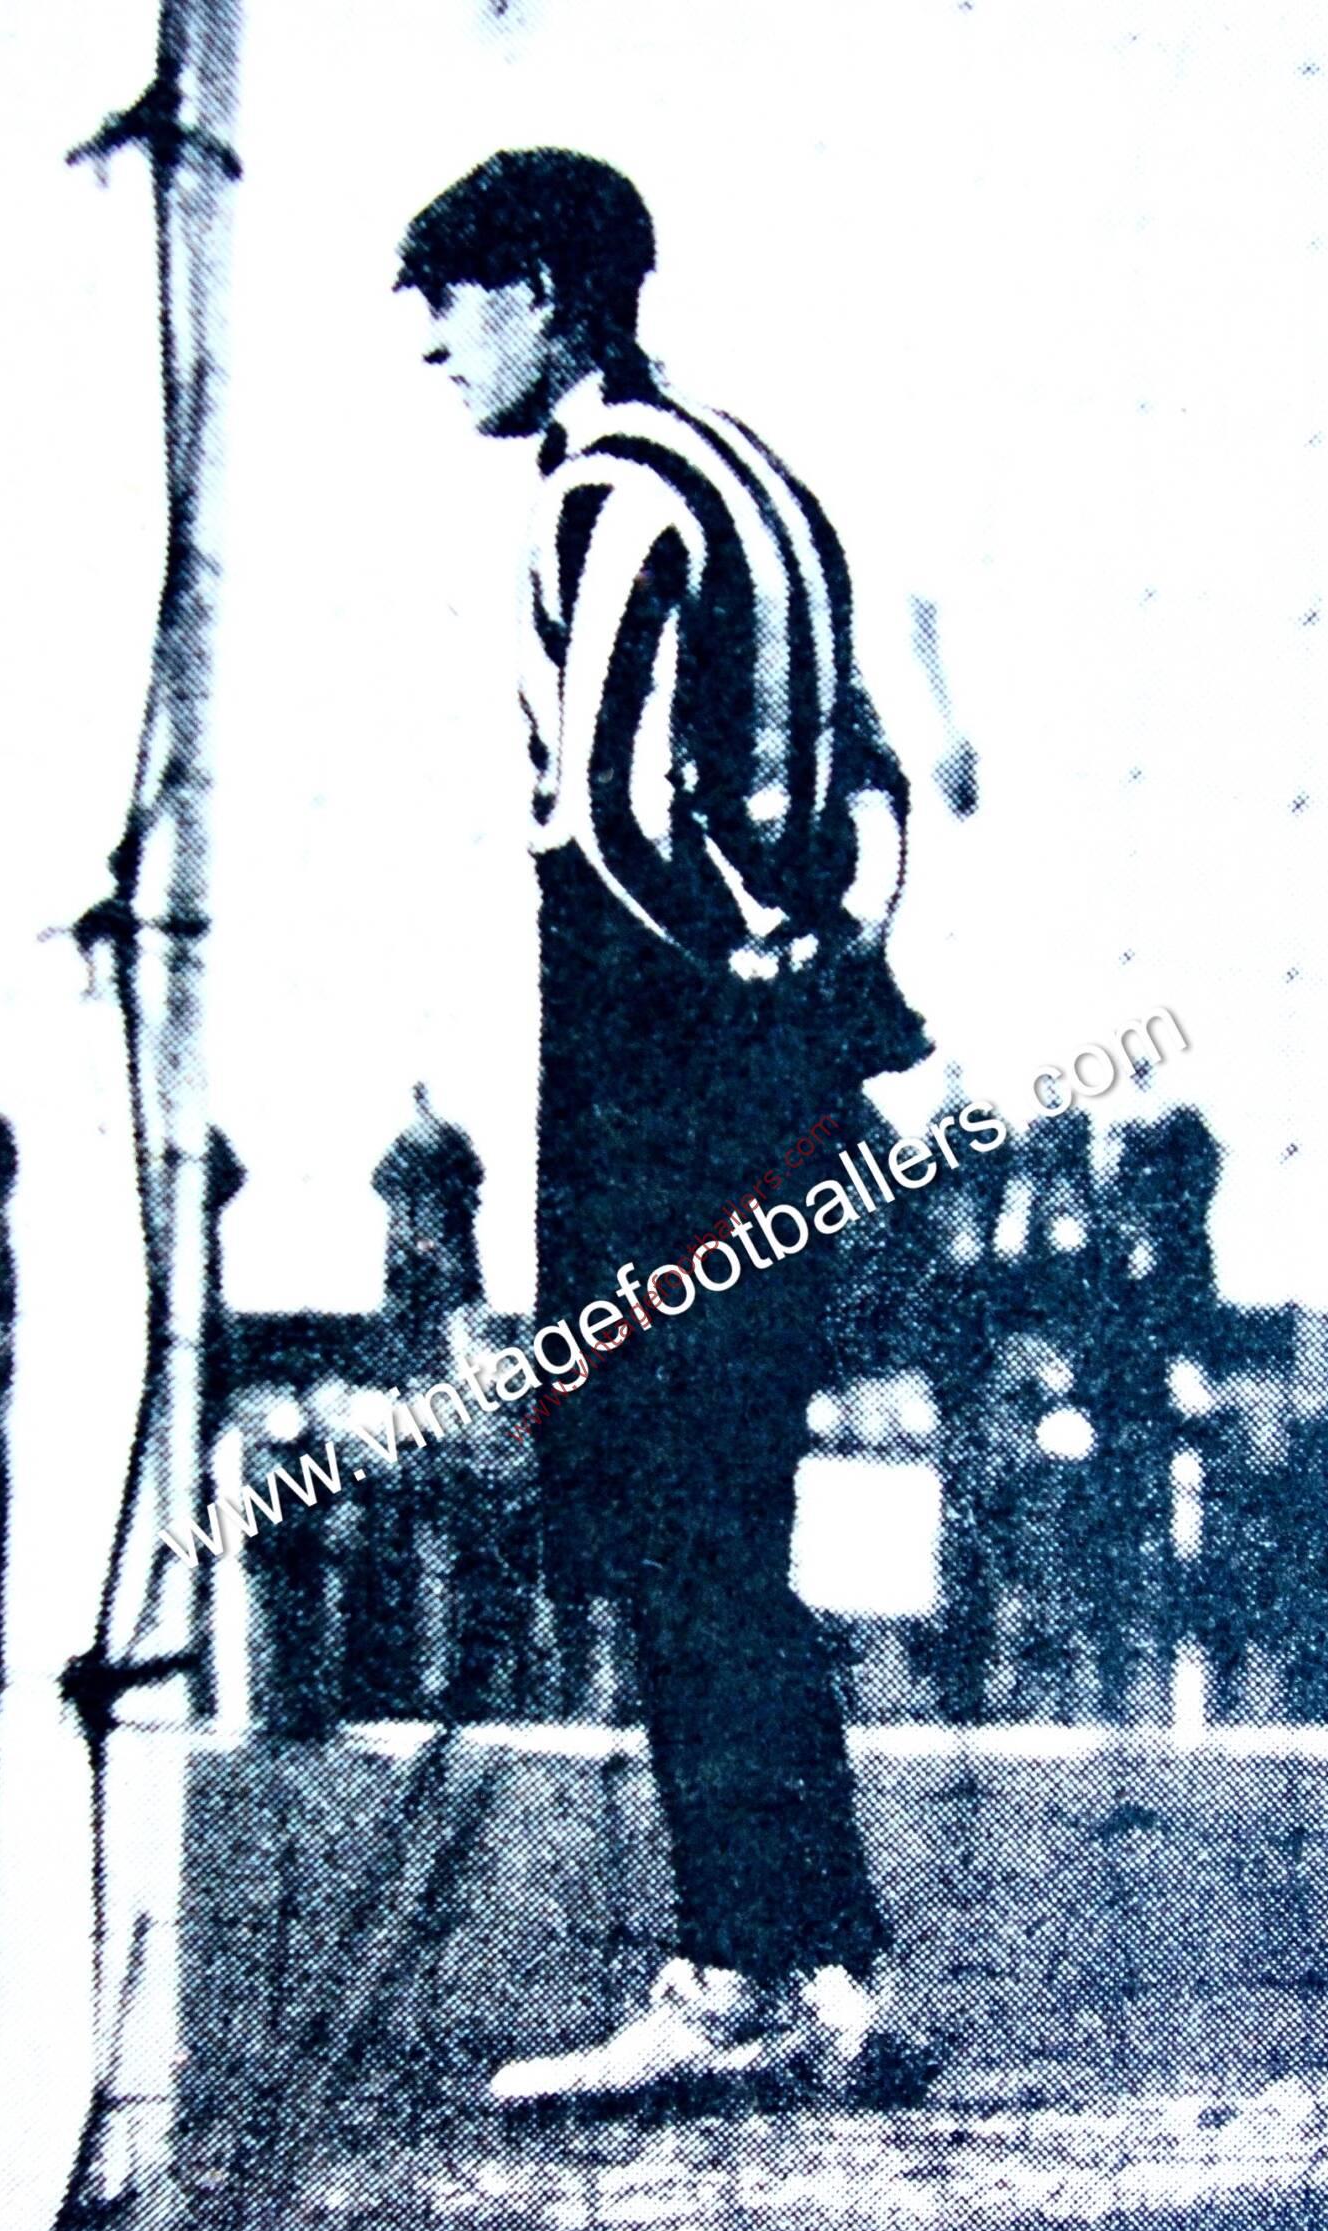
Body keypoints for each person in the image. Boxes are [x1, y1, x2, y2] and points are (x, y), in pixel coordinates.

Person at [396, 148, 931, 2104]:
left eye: (451, 301)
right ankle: (824, 1967)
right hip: (800, 1072)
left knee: (669, 1521)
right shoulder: (769, 478)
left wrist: (742, 959)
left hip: (661, 1062)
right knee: (734, 1528)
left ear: (547, 291)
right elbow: (873, 780)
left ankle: (732, 1973)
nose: (434, 347)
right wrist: (830, 957)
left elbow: (615, 817)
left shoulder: (608, 492)